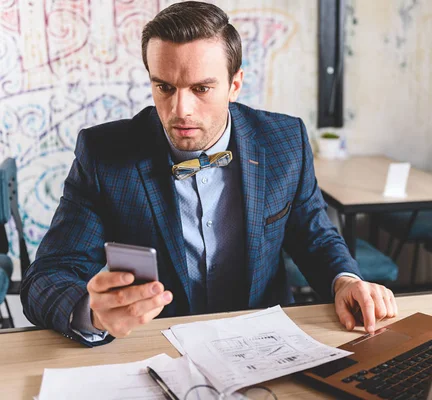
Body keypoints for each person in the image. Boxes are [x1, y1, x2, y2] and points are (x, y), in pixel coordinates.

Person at [20, 1, 397, 346]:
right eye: (164, 87)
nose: (180, 109)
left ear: (235, 84)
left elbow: (314, 238)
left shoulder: (285, 141)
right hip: (155, 347)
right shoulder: (104, 154)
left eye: (201, 88)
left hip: (266, 342)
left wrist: (345, 281)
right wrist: (91, 312)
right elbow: (46, 277)